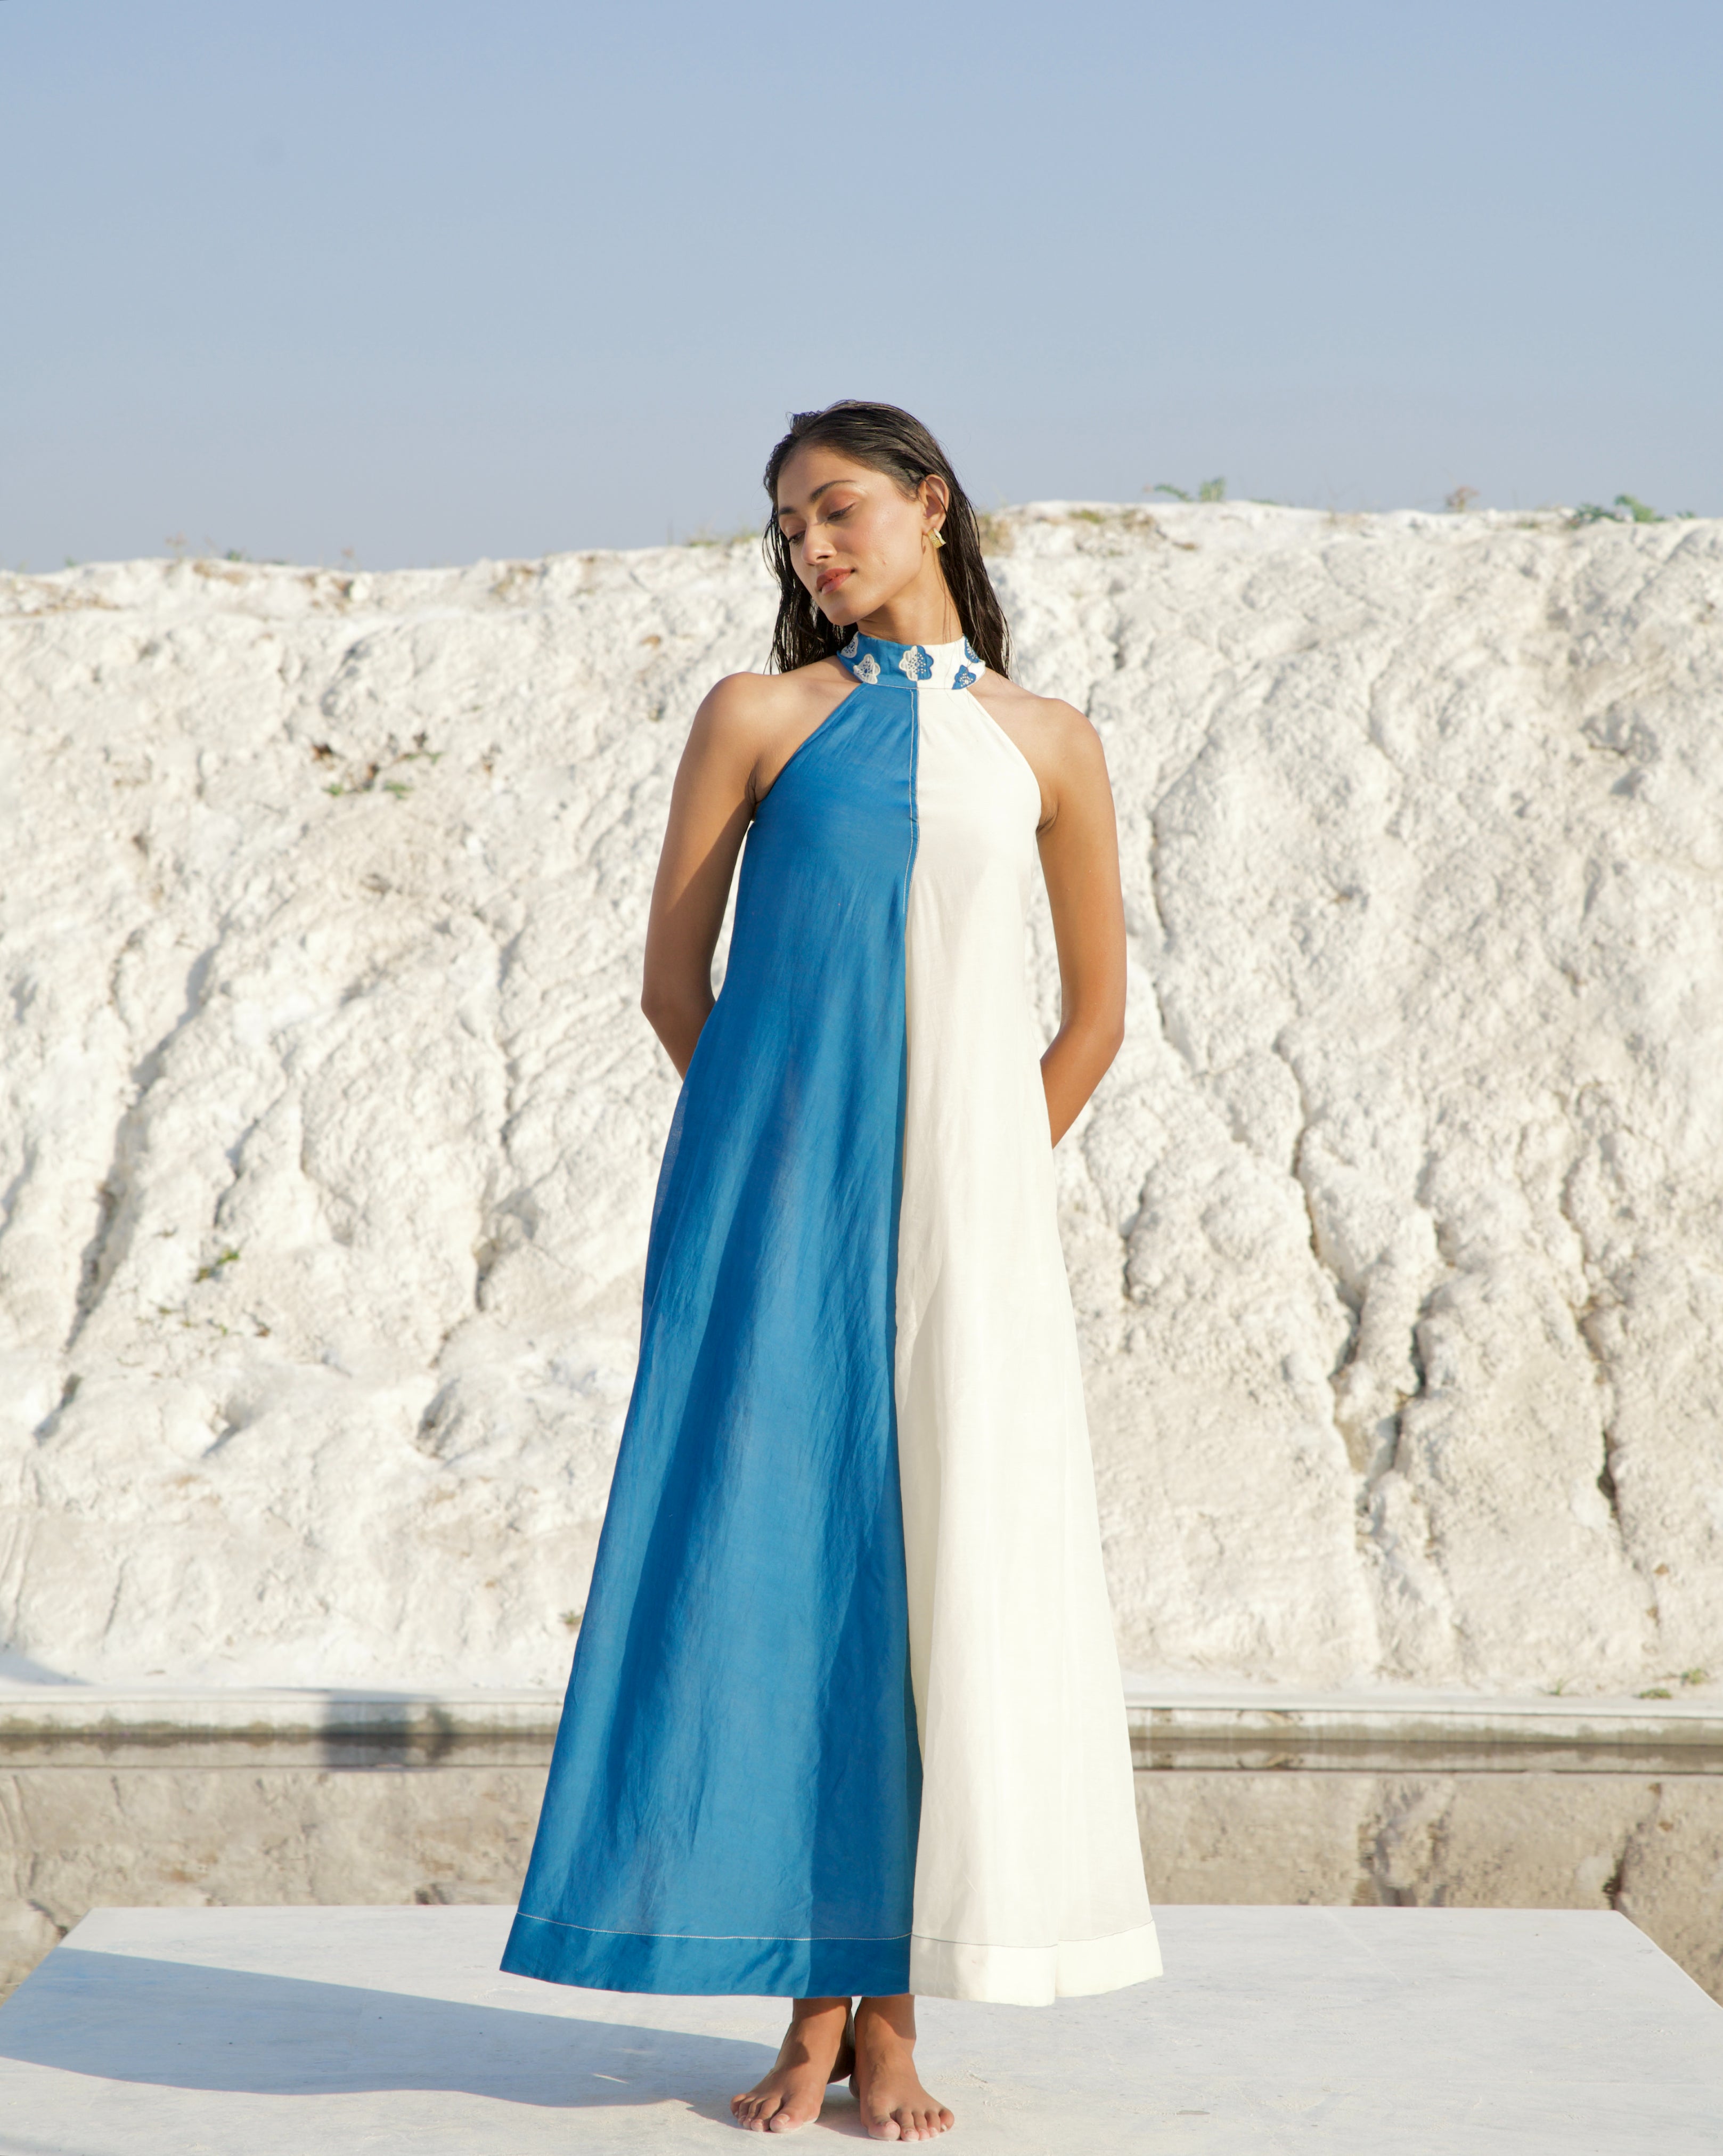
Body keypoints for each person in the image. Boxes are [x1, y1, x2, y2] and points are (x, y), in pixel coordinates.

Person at [501, 401, 1160, 2141]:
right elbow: (674, 986)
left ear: (931, 505)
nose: (811, 544)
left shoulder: (1050, 744)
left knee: (943, 1575)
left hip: (970, 1232)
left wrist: (977, 1186)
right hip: (770, 1212)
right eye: (789, 523)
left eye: (838, 508)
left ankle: (893, 2022)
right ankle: (811, 2009)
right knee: (785, 1572)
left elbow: (1095, 1019)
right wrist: (780, 1160)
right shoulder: (760, 715)